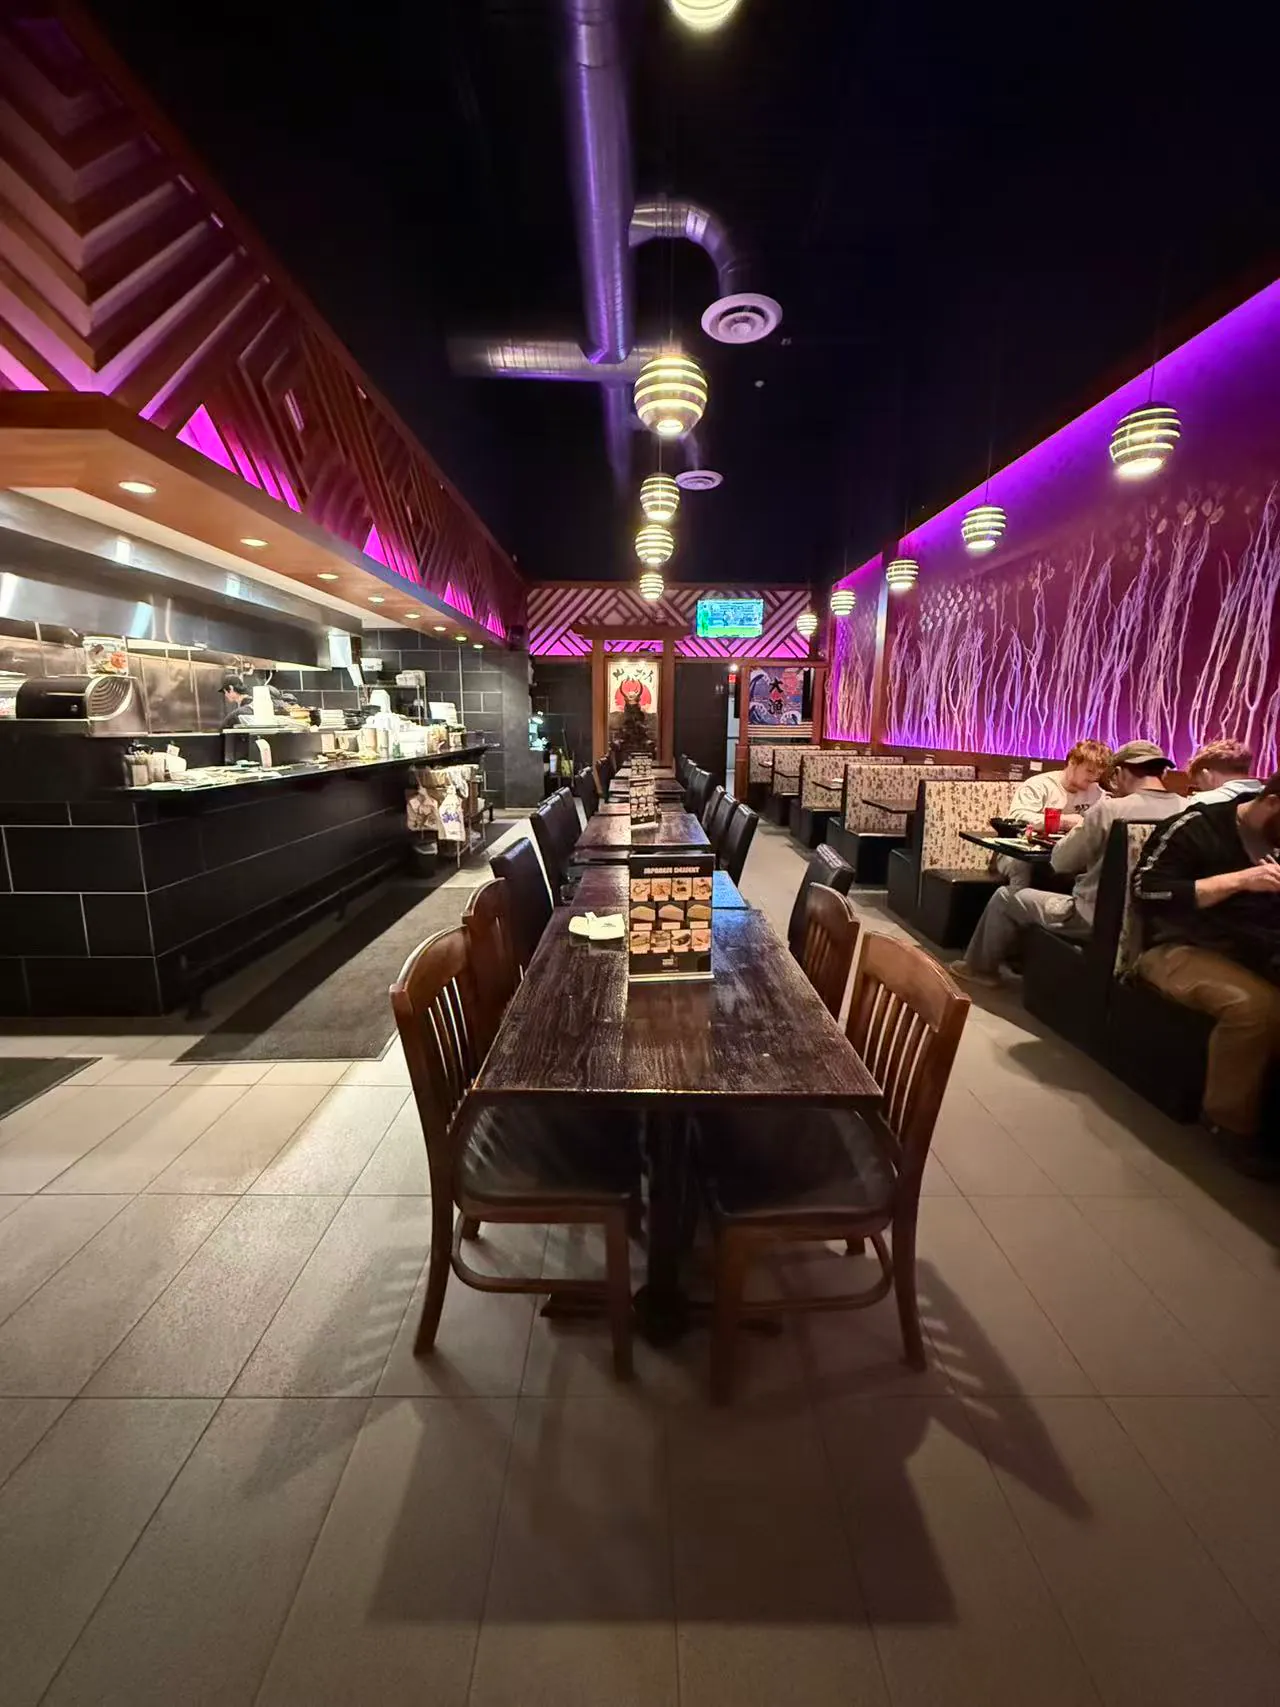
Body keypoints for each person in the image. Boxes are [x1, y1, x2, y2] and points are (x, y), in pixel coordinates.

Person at [1131, 773, 1280, 1165]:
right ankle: (1228, 1122)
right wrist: (1239, 880)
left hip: (1257, 950)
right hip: (1178, 947)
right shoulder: (1197, 826)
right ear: (1272, 802)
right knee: (1257, 1008)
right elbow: (1146, 889)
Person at [952, 741, 1185, 986]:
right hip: (1156, 924)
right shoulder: (1188, 808)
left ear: (1119, 773)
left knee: (1006, 897)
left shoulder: (1109, 810)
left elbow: (1061, 861)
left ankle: (979, 969)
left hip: (1094, 917)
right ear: (1164, 772)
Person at [997, 739, 1111, 890]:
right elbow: (1017, 816)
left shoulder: (1097, 793)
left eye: (1098, 773)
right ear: (1072, 763)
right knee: (1020, 865)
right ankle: (1014, 906)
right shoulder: (1040, 785)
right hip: (1021, 851)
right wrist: (1064, 821)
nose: (1094, 778)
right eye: (1089, 771)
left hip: (1068, 851)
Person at [1186, 738, 1264, 805]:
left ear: (1206, 775)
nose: (1200, 790)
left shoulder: (1202, 802)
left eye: (1199, 784)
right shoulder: (1269, 799)